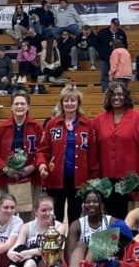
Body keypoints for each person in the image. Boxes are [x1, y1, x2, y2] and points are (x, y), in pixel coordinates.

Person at [38, 86, 98, 225]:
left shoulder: (87, 124)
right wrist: (42, 164)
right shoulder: (52, 123)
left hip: (79, 180)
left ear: (78, 103)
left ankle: (73, 242)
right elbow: (43, 149)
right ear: (61, 103)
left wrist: (93, 178)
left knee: (75, 215)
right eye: (66, 100)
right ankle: (54, 243)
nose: (69, 103)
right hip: (55, 178)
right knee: (55, 214)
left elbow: (93, 154)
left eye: (73, 100)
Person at [93, 82, 139, 219]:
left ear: (126, 96)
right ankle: (110, 241)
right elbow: (95, 150)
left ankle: (126, 241)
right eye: (113, 94)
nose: (116, 97)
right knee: (108, 217)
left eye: (120, 94)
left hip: (129, 179)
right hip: (106, 179)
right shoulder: (98, 120)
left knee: (128, 219)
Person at [0, 91, 42, 221]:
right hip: (5, 178)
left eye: (23, 103)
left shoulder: (37, 128)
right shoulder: (1, 128)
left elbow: (43, 151)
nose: (19, 106)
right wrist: (5, 168)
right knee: (6, 215)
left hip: (30, 178)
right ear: (11, 107)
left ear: (28, 106)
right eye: (16, 104)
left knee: (29, 215)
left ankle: (27, 240)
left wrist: (33, 167)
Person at [0, 195, 65, 267]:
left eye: (51, 210)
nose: (48, 213)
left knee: (33, 247)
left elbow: (50, 249)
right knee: (21, 249)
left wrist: (28, 252)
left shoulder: (59, 226)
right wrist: (11, 253)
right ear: (36, 212)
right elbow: (17, 245)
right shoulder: (27, 226)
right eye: (44, 210)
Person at [63, 190, 114, 267]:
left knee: (97, 242)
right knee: (81, 244)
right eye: (87, 202)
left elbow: (115, 249)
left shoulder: (112, 222)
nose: (91, 204)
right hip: (81, 265)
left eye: (95, 201)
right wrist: (71, 266)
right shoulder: (77, 224)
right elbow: (68, 254)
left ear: (102, 204)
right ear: (83, 205)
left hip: (103, 265)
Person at [95, 18, 128, 92]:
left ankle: (117, 90)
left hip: (118, 59)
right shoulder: (103, 32)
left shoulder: (121, 33)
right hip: (105, 57)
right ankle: (105, 90)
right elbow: (96, 42)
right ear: (111, 24)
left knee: (117, 76)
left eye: (117, 25)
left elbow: (125, 45)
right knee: (105, 75)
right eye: (114, 25)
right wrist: (101, 52)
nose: (115, 27)